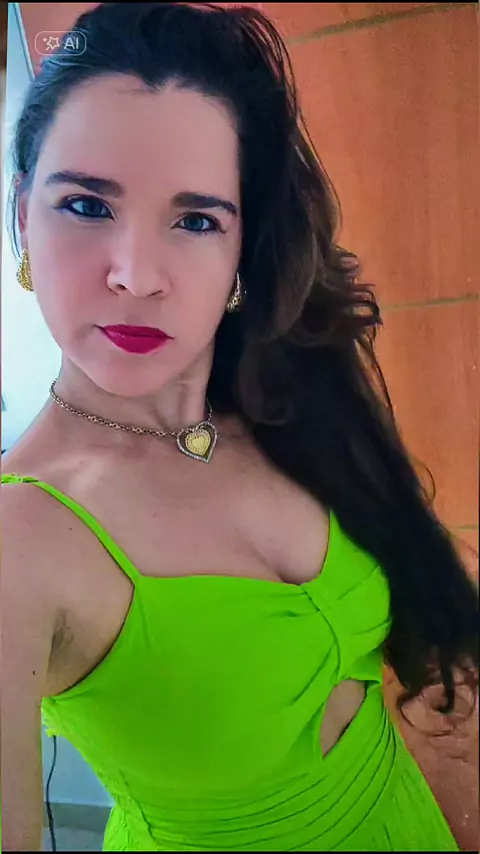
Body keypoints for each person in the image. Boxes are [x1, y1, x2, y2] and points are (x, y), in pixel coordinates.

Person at [2, 3, 477, 851]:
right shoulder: (20, 539)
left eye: (195, 220)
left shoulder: (289, 403)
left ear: (241, 252)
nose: (136, 276)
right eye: (85, 204)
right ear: (22, 214)